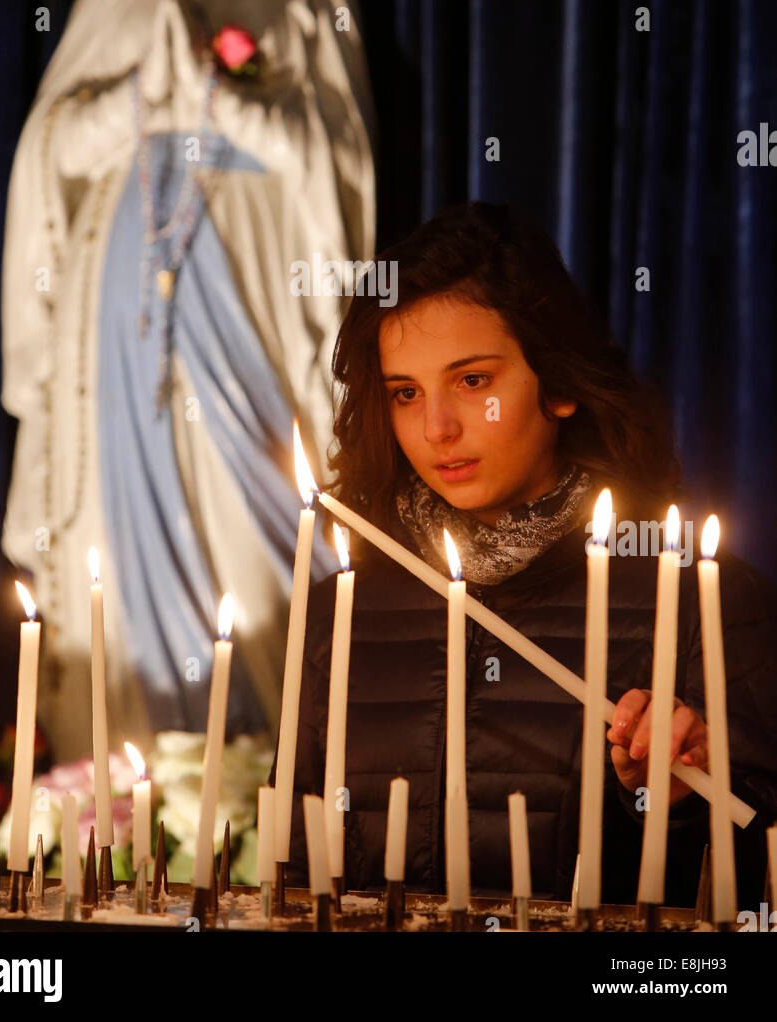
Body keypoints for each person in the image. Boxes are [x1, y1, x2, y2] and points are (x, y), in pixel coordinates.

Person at [0, 0, 375, 762]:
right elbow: (49, 153)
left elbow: (337, 169)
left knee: (256, 521)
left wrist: (225, 106)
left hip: (249, 297)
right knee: (120, 531)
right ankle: (134, 790)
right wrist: (133, 103)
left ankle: (269, 778)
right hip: (119, 311)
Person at [275, 201, 777, 908]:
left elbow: (759, 881)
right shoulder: (340, 611)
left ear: (562, 382)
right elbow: (292, 882)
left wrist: (687, 792)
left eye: (473, 381)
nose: (437, 427)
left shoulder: (702, 602)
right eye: (405, 393)